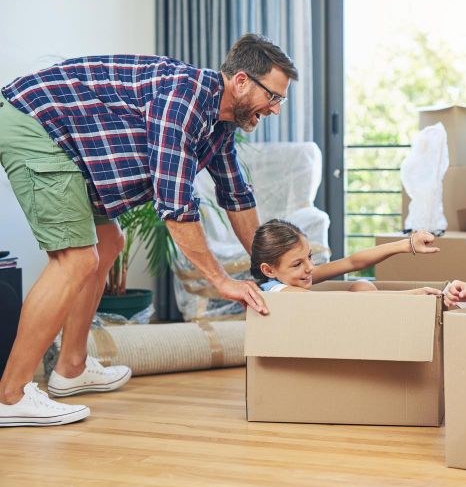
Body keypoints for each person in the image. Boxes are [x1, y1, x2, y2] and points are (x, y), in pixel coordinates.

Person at [0, 33, 294, 427]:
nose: (274, 108)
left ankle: (70, 368)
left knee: (109, 243)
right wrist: (223, 281)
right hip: (34, 123)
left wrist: (267, 272)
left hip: (70, 144)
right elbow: (174, 206)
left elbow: (237, 197)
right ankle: (12, 395)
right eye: (272, 96)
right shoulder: (185, 97)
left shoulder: (219, 125)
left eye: (280, 100)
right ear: (241, 81)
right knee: (74, 259)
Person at [251, 219, 441, 295]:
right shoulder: (276, 290)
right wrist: (410, 295)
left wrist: (406, 244)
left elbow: (352, 262)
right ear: (269, 270)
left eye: (309, 257)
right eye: (297, 264)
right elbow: (338, 304)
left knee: (361, 286)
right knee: (360, 292)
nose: (309, 267)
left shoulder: (290, 277)